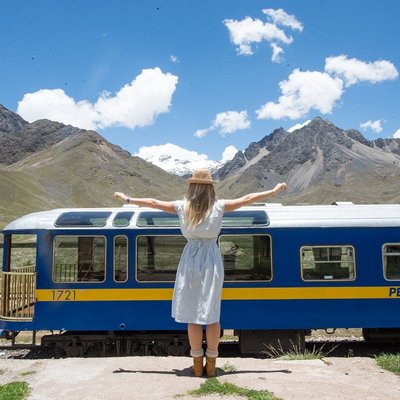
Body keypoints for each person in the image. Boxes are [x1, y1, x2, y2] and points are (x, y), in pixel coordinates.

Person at [114, 169, 287, 377]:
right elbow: (247, 199)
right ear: (210, 187)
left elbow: (152, 202)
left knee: (192, 315)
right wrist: (273, 192)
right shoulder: (219, 207)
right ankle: (211, 363)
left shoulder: (181, 207)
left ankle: (197, 364)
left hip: (190, 260)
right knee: (212, 314)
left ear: (191, 187)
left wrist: (128, 199)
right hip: (211, 260)